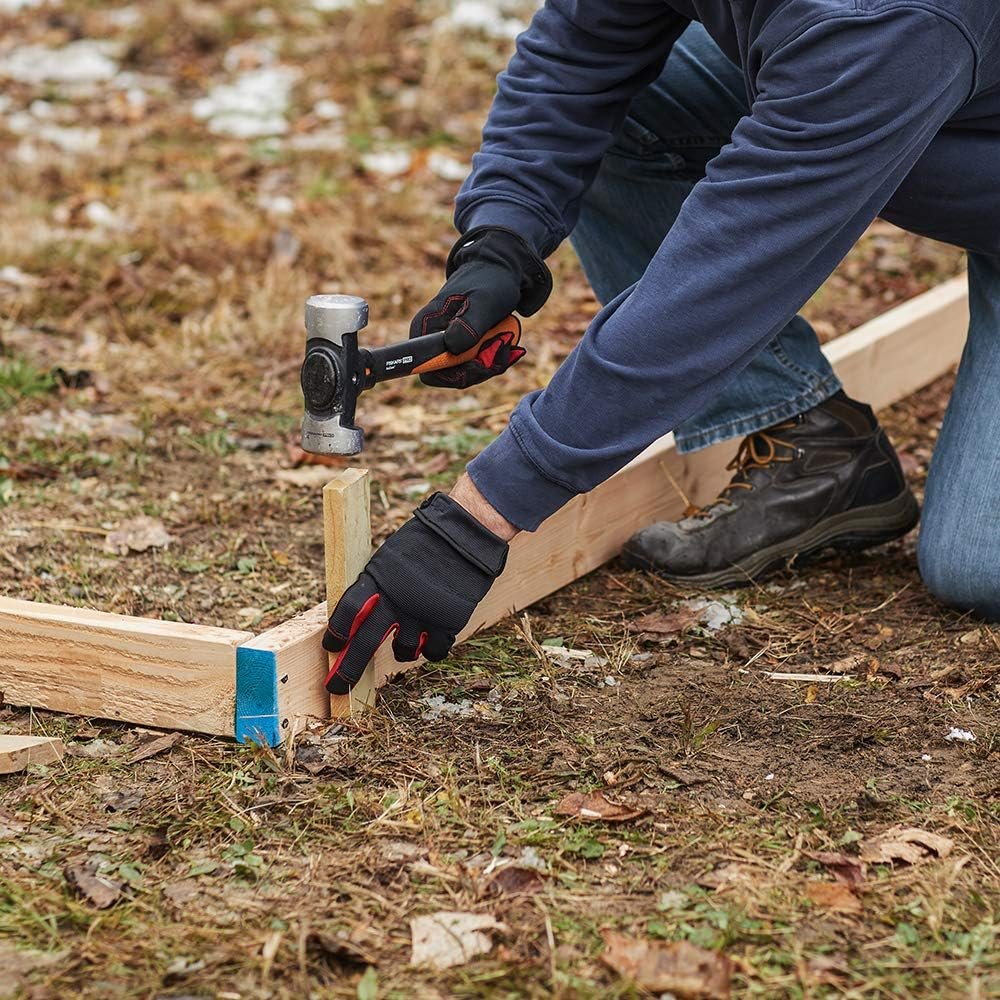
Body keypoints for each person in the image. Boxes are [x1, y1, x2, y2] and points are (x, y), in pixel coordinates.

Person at [322, 0, 1000, 693]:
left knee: (980, 565)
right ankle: (810, 449)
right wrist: (502, 237)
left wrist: (478, 519)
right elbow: (579, 52)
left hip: (910, 71)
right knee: (644, 106)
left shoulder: (879, 21)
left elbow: (720, 283)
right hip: (930, 100)